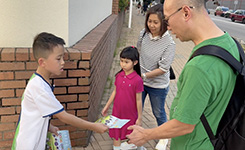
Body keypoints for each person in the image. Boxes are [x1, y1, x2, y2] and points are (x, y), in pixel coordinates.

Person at [127, 0, 240, 150]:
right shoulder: (231, 44)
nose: (167, 27)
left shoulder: (200, 67)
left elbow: (184, 125)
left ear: (186, 13)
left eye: (167, 19)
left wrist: (145, 135)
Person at [11, 32, 108, 150]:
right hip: (28, 145)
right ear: (42, 62)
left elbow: (38, 112)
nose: (63, 62)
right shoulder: (39, 87)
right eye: (58, 58)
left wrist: (49, 126)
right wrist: (93, 127)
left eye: (63, 57)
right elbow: (63, 116)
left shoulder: (42, 82)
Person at [137, 3, 175, 150]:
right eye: (149, 21)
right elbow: (138, 53)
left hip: (158, 85)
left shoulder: (169, 43)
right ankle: (134, 134)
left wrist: (144, 76)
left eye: (155, 22)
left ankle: (164, 137)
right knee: (136, 109)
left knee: (158, 113)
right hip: (141, 81)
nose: (151, 25)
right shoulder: (143, 34)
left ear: (163, 23)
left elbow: (163, 69)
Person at [101, 46, 144, 150]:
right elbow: (115, 91)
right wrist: (107, 106)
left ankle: (140, 147)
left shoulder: (137, 80)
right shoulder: (119, 76)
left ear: (135, 62)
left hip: (130, 114)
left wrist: (139, 117)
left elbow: (138, 100)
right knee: (117, 135)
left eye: (126, 62)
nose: (123, 64)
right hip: (117, 112)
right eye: (121, 61)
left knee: (132, 134)